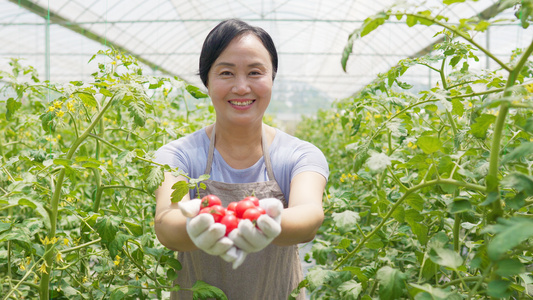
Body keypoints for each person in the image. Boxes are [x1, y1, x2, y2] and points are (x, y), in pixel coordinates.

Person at [153, 18, 329, 300]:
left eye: (255, 72)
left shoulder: (299, 155)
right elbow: (166, 221)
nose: (242, 87)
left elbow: (309, 215)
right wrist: (192, 228)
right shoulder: (177, 156)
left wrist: (270, 224)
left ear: (272, 79)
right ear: (206, 81)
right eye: (226, 73)